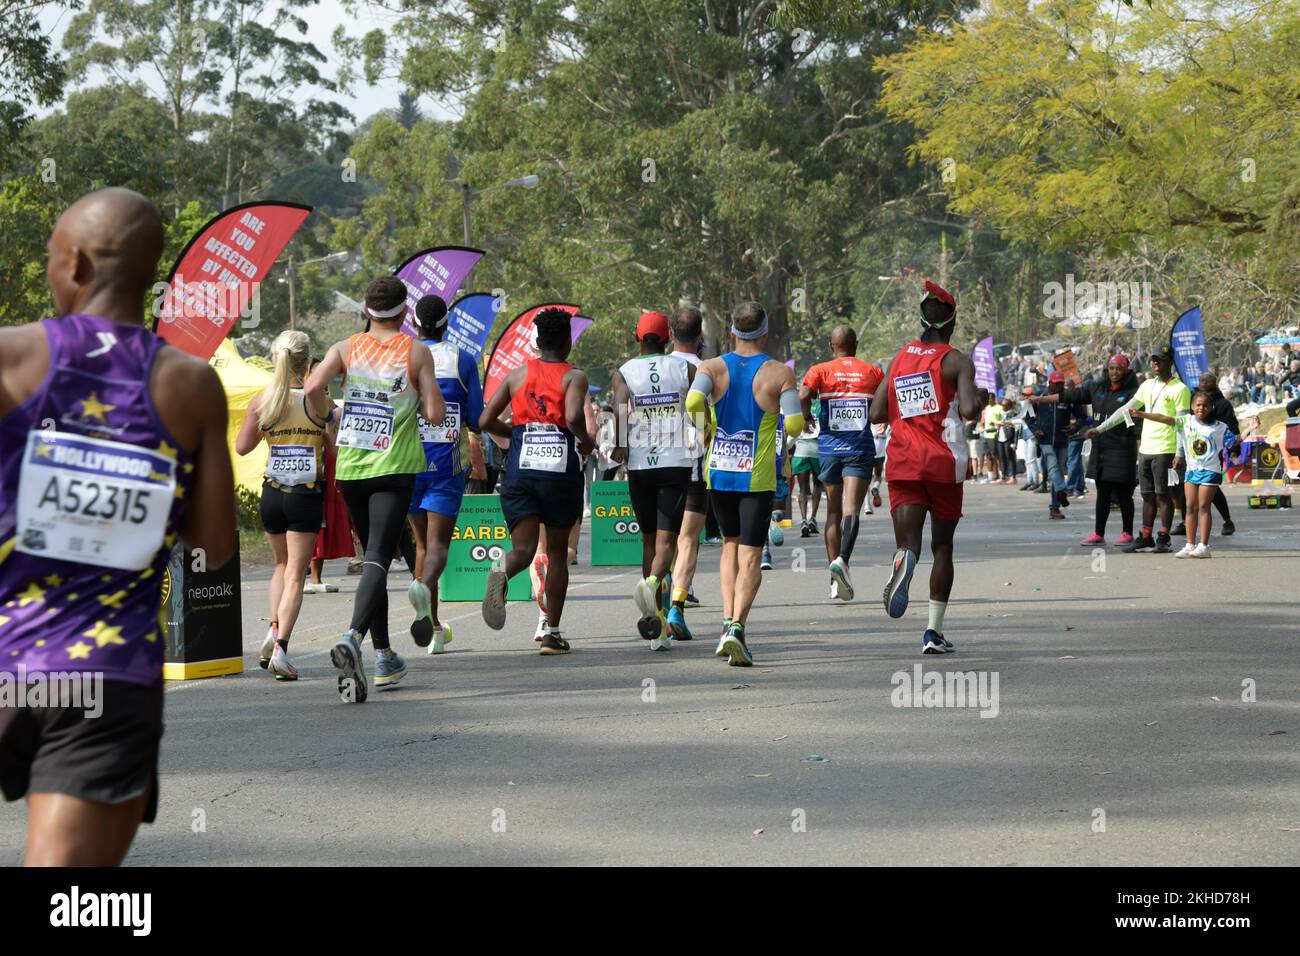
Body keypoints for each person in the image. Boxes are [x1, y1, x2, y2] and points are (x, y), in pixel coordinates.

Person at [0, 188, 236, 865]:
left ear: (72, 265)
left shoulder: (11, 356)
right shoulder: (189, 384)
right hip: (105, 677)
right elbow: (217, 547)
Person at [306, 276, 445, 701]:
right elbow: (436, 415)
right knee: (379, 560)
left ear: (366, 312)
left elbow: (312, 387)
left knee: (373, 560)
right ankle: (352, 637)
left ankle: (384, 655)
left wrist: (330, 418)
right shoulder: (415, 351)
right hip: (395, 467)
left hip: (350, 469)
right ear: (405, 313)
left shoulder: (346, 348)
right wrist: (421, 393)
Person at [687, 302, 804, 666]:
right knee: (752, 553)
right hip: (756, 477)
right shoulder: (778, 373)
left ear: (732, 332)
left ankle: (726, 621)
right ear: (765, 332)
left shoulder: (711, 367)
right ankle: (737, 628)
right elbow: (796, 423)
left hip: (719, 472)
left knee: (729, 546)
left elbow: (693, 398)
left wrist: (705, 427)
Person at [869, 280, 983, 655]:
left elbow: (876, 412)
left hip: (902, 460)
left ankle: (905, 559)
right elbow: (967, 411)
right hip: (943, 462)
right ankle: (933, 632)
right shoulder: (956, 361)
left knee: (910, 542)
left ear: (922, 319)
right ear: (952, 322)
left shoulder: (900, 358)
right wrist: (980, 398)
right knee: (944, 546)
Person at [478, 308, 594, 654]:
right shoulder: (574, 377)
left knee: (525, 550)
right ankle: (551, 634)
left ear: (538, 341)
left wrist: (515, 435)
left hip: (521, 472)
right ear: (569, 342)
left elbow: (485, 419)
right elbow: (573, 415)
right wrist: (586, 441)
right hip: (559, 475)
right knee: (557, 554)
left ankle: (500, 569)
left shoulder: (517, 375)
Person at [235, 330, 333, 680]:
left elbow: (242, 447)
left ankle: (272, 631)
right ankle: (281, 649)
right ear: (306, 362)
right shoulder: (317, 400)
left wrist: (268, 431)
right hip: (305, 495)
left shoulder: (263, 401)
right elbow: (336, 448)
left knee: (280, 566)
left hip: (272, 493)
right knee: (296, 574)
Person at [610, 310, 694, 650]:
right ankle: (654, 582)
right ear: (668, 337)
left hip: (640, 464)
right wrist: (699, 435)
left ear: (637, 338)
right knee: (667, 542)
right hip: (675, 462)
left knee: (647, 540)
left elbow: (618, 407)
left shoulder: (625, 372)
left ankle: (655, 625)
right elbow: (699, 402)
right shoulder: (685, 368)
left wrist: (619, 445)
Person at [406, 294, 483, 654]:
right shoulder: (463, 359)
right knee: (437, 547)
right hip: (445, 465)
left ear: (416, 324)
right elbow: (476, 417)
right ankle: (424, 595)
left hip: (406, 464)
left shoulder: (402, 355)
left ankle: (434, 627)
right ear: (446, 324)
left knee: (421, 545)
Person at [799, 325, 884, 601]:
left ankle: (834, 580)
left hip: (829, 450)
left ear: (830, 345)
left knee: (833, 512)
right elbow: (885, 403)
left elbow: (802, 395)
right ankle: (843, 561)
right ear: (855, 345)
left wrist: (806, 417)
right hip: (859, 448)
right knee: (852, 511)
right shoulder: (872, 372)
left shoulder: (819, 371)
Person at [1085, 345, 1190, 554]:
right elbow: (1124, 410)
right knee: (1147, 495)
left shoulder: (1180, 389)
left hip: (1166, 449)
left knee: (1163, 494)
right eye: (1153, 360)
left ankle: (1164, 536)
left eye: (1159, 360)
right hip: (1146, 448)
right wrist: (1099, 429)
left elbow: (1182, 424)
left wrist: (1179, 453)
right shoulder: (1147, 385)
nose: (1155, 364)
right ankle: (1146, 535)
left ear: (1170, 362)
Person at [1030, 354, 1139, 545]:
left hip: (1122, 449)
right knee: (1102, 493)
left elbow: (1135, 422)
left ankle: (1127, 532)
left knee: (1123, 494)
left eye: (1119, 369)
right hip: (1101, 448)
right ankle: (1098, 534)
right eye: (1112, 368)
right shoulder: (1097, 387)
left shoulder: (1133, 393)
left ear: (1126, 371)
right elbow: (1071, 395)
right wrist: (1043, 399)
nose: (1115, 372)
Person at [1135, 389, 1237, 558]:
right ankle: (1190, 544)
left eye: (1205, 405)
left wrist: (1251, 428)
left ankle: (1204, 546)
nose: (1201, 408)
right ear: (1192, 406)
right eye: (1198, 405)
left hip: (1210, 471)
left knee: (1204, 506)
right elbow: (1163, 418)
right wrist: (1142, 414)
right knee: (1190, 507)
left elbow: (1234, 441)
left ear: (1211, 407)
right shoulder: (1186, 421)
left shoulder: (1219, 427)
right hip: (1192, 471)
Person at [666, 306, 709, 643]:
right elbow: (711, 419)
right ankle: (676, 606)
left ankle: (656, 593)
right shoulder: (708, 370)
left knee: (660, 540)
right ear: (700, 337)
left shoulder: (653, 367)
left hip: (654, 464)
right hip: (694, 462)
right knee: (687, 539)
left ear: (670, 334)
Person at [1196, 371, 1239, 536]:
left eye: (1208, 380)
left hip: (1214, 451)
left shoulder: (1223, 404)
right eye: (1202, 380)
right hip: (1193, 451)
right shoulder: (1194, 401)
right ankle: (1186, 522)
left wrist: (1234, 450)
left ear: (1214, 383)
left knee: (1211, 488)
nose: (1204, 382)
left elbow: (1232, 428)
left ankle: (1227, 521)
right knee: (1189, 488)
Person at [792, 399, 823, 536]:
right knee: (818, 485)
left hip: (801, 449)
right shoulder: (822, 403)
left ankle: (804, 519)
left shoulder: (798, 405)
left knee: (803, 489)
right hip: (818, 448)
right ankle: (813, 518)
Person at [977, 392, 1003, 483]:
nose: (989, 400)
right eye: (988, 398)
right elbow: (983, 421)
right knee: (987, 456)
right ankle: (990, 476)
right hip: (986, 434)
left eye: (991, 398)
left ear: (994, 398)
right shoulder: (986, 408)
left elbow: (1003, 420)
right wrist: (982, 425)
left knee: (995, 456)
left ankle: (1000, 475)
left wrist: (996, 423)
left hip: (994, 434)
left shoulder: (999, 408)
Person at [867, 420, 888, 513]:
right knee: (878, 475)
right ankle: (875, 487)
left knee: (865, 479)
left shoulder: (870, 409)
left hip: (870, 442)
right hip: (881, 443)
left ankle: (867, 506)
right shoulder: (884, 412)